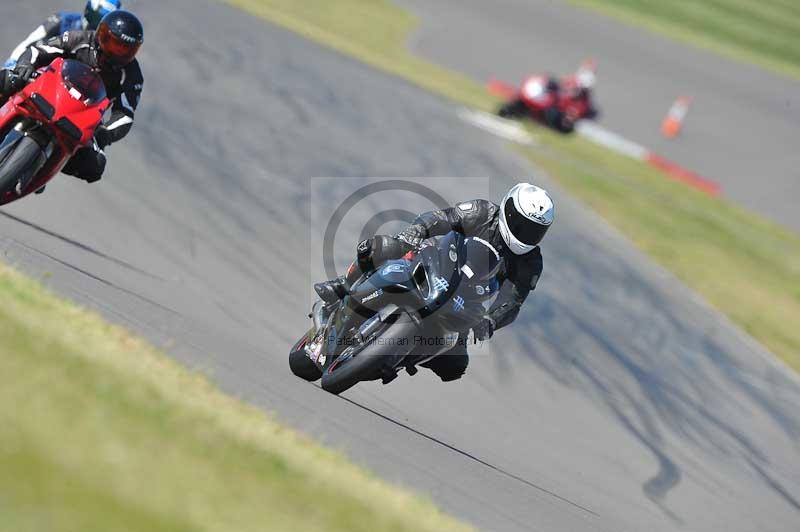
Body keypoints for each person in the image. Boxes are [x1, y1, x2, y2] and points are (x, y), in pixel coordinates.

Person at [314, 183, 554, 382]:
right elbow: (442, 218)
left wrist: (490, 322)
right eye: (522, 224)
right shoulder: (482, 212)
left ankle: (397, 359)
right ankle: (344, 285)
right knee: (383, 247)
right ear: (508, 209)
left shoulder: (530, 263)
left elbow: (512, 301)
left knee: (455, 366)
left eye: (534, 230)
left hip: (466, 302)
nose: (525, 234)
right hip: (435, 261)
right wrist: (418, 230)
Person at [0, 10, 143, 185]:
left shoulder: (132, 75)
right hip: (47, 89)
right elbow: (39, 50)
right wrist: (24, 66)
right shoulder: (79, 39)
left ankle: (42, 167)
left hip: (82, 117)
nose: (116, 51)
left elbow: (125, 113)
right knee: (6, 79)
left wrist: (105, 133)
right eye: (111, 41)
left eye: (123, 49)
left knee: (95, 165)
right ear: (100, 33)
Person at [4, 1, 122, 69]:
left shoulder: (104, 45)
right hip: (37, 68)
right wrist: (13, 63)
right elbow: (30, 40)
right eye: (96, 20)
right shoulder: (63, 20)